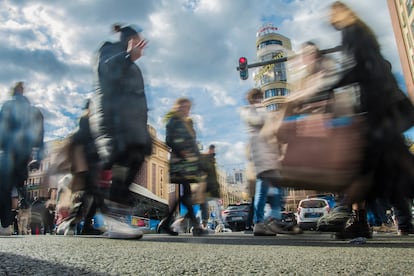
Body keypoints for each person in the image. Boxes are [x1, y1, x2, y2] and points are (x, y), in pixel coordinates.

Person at [329, 1, 414, 239]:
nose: (329, 19)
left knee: (369, 167)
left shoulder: (352, 31)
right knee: (383, 168)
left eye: (332, 13)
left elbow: (362, 68)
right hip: (380, 110)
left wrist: (332, 86)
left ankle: (352, 216)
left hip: (380, 110)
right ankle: (362, 222)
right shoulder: (361, 32)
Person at [88, 24, 153, 239]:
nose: (141, 45)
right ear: (129, 39)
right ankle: (110, 217)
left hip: (130, 124)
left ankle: (114, 216)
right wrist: (127, 57)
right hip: (110, 119)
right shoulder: (108, 50)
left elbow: (139, 100)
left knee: (134, 159)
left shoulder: (134, 66)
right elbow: (105, 71)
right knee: (115, 158)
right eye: (137, 40)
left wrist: (144, 131)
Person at [240, 88, 300, 236]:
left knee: (275, 188)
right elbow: (259, 122)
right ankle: (261, 222)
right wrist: (271, 116)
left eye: (261, 98)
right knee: (263, 189)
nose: (261, 101)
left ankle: (271, 219)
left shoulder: (261, 111)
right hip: (261, 154)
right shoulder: (249, 111)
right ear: (253, 100)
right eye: (259, 98)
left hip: (270, 155)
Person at [157, 97, 208, 236]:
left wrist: (200, 162)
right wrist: (182, 152)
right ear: (177, 107)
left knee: (185, 195)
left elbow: (193, 145)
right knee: (186, 194)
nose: (186, 110)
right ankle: (196, 226)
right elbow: (169, 140)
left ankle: (166, 223)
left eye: (188, 107)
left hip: (188, 164)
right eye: (184, 106)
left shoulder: (186, 123)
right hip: (179, 163)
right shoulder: (173, 121)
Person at [0, 82, 44, 235]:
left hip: (8, 152)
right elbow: (40, 132)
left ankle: (6, 224)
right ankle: (24, 202)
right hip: (24, 153)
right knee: (17, 183)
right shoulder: (32, 111)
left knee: (5, 188)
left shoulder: (8, 106)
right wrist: (38, 154)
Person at [199, 144, 221, 229]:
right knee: (204, 205)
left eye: (214, 149)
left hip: (211, 187)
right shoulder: (206, 158)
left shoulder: (212, 159)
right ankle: (204, 223)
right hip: (206, 186)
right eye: (212, 149)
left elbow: (213, 175)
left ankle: (207, 223)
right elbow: (203, 171)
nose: (213, 151)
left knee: (213, 206)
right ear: (209, 149)